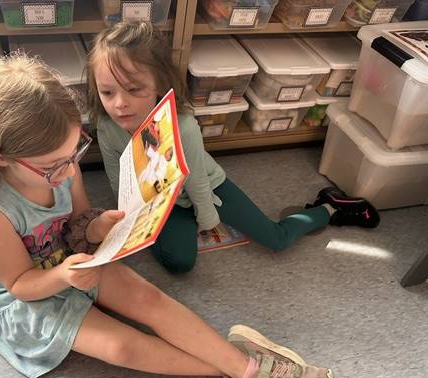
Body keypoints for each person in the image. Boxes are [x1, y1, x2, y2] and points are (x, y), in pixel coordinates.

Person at [0, 53, 334, 378]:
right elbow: (19, 284)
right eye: (53, 167)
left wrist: (97, 227)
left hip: (75, 260)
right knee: (121, 346)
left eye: (74, 154)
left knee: (149, 298)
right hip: (32, 295)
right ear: (1, 156)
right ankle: (236, 368)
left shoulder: (62, 166)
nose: (68, 172)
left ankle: (242, 368)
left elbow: (78, 223)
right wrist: (64, 275)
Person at [87, 21, 380, 274]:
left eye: (134, 89)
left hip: (208, 189)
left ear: (159, 84)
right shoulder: (107, 128)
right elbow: (120, 183)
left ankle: (328, 208)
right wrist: (134, 222)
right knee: (179, 263)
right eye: (107, 92)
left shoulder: (182, 124)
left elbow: (197, 179)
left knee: (275, 239)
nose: (120, 104)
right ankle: (178, 225)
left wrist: (205, 214)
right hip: (164, 202)